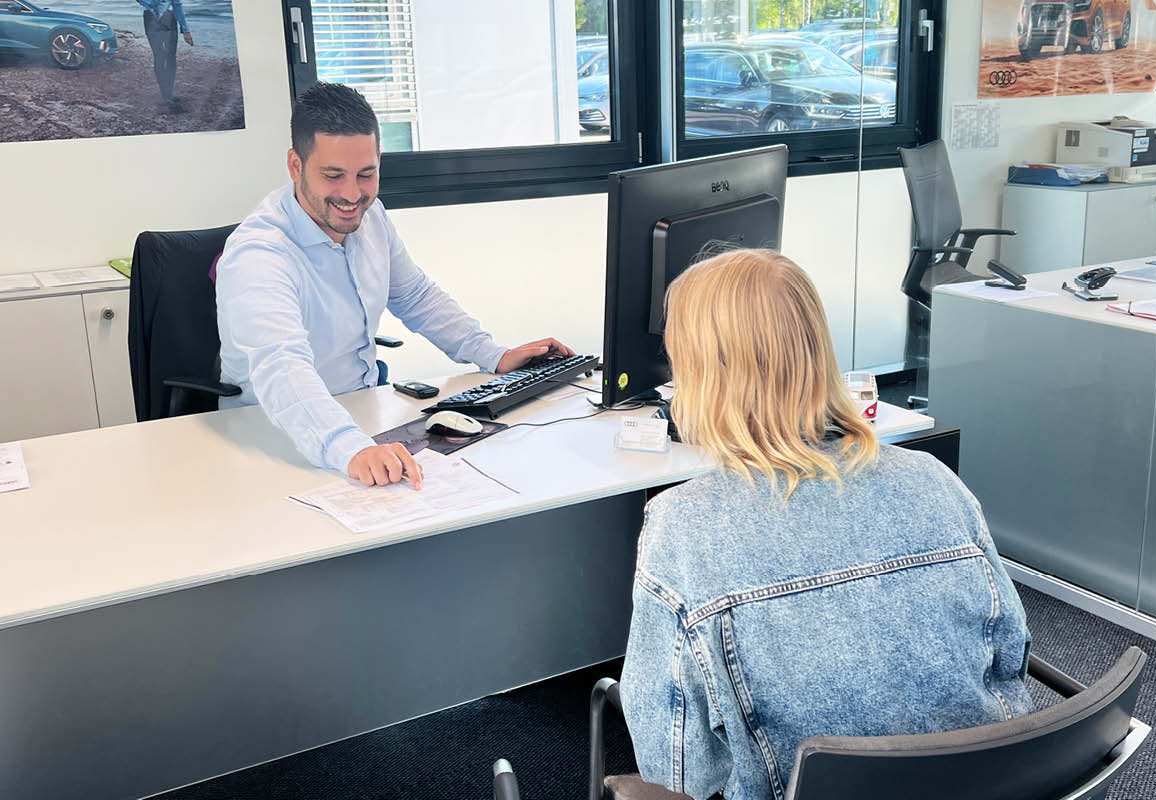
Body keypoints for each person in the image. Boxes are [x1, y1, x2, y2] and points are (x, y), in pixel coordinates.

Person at [620, 249, 1033, 800]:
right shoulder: (933, 480)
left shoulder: (683, 527)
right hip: (985, 784)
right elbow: (1009, 656)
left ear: (701, 375)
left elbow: (678, 767)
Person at [216, 82, 574, 489]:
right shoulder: (258, 255)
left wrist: (493, 354)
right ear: (295, 166)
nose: (353, 195)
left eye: (366, 174)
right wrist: (348, 446)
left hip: (358, 413)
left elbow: (415, 296)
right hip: (273, 435)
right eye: (333, 176)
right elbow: (282, 367)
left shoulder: (372, 219)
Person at [138, 0, 193, 111]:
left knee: (166, 56)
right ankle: (167, 95)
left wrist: (185, 30)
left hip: (157, 17)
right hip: (160, 17)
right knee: (164, 57)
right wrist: (185, 30)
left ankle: (167, 94)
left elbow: (177, 5)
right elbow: (177, 5)